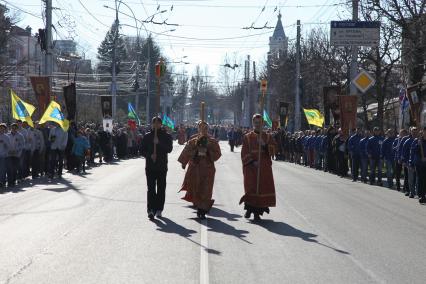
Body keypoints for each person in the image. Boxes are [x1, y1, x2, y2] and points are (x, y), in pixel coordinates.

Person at [178, 121, 222, 219]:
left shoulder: (212, 141)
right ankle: (198, 205)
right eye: (201, 128)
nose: (203, 130)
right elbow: (187, 151)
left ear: (208, 129)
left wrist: (208, 151)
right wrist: (184, 162)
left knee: (206, 189)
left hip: (208, 169)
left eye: (205, 128)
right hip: (195, 168)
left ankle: (202, 209)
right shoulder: (193, 140)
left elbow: (217, 153)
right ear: (198, 129)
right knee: (196, 187)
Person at [240, 114, 277, 221]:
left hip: (264, 167)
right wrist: (251, 162)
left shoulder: (268, 136)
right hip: (251, 167)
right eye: (255, 123)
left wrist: (265, 145)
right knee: (251, 188)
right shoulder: (247, 137)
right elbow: (244, 152)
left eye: (259, 123)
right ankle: (249, 209)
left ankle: (257, 213)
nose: (257, 125)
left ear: (262, 124)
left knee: (261, 188)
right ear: (253, 123)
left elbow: (274, 150)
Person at [141, 117, 173, 220]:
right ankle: (151, 209)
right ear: (151, 124)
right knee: (150, 189)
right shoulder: (147, 136)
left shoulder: (167, 136)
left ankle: (159, 209)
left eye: (157, 123)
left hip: (162, 166)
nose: (155, 125)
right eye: (154, 123)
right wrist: (149, 155)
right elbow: (141, 150)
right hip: (150, 166)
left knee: (161, 188)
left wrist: (159, 143)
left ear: (160, 124)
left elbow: (169, 149)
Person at [409, 126, 426, 204]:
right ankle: (421, 196)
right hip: (419, 163)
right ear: (423, 132)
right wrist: (418, 146)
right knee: (421, 179)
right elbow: (413, 152)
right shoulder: (417, 140)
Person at [0, 124, 10, 190]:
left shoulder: (6, 137)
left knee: (2, 170)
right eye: (0, 128)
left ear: (5, 129)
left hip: (3, 155)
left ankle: (2, 182)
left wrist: (4, 144)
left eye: (3, 128)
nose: (1, 129)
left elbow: (8, 147)